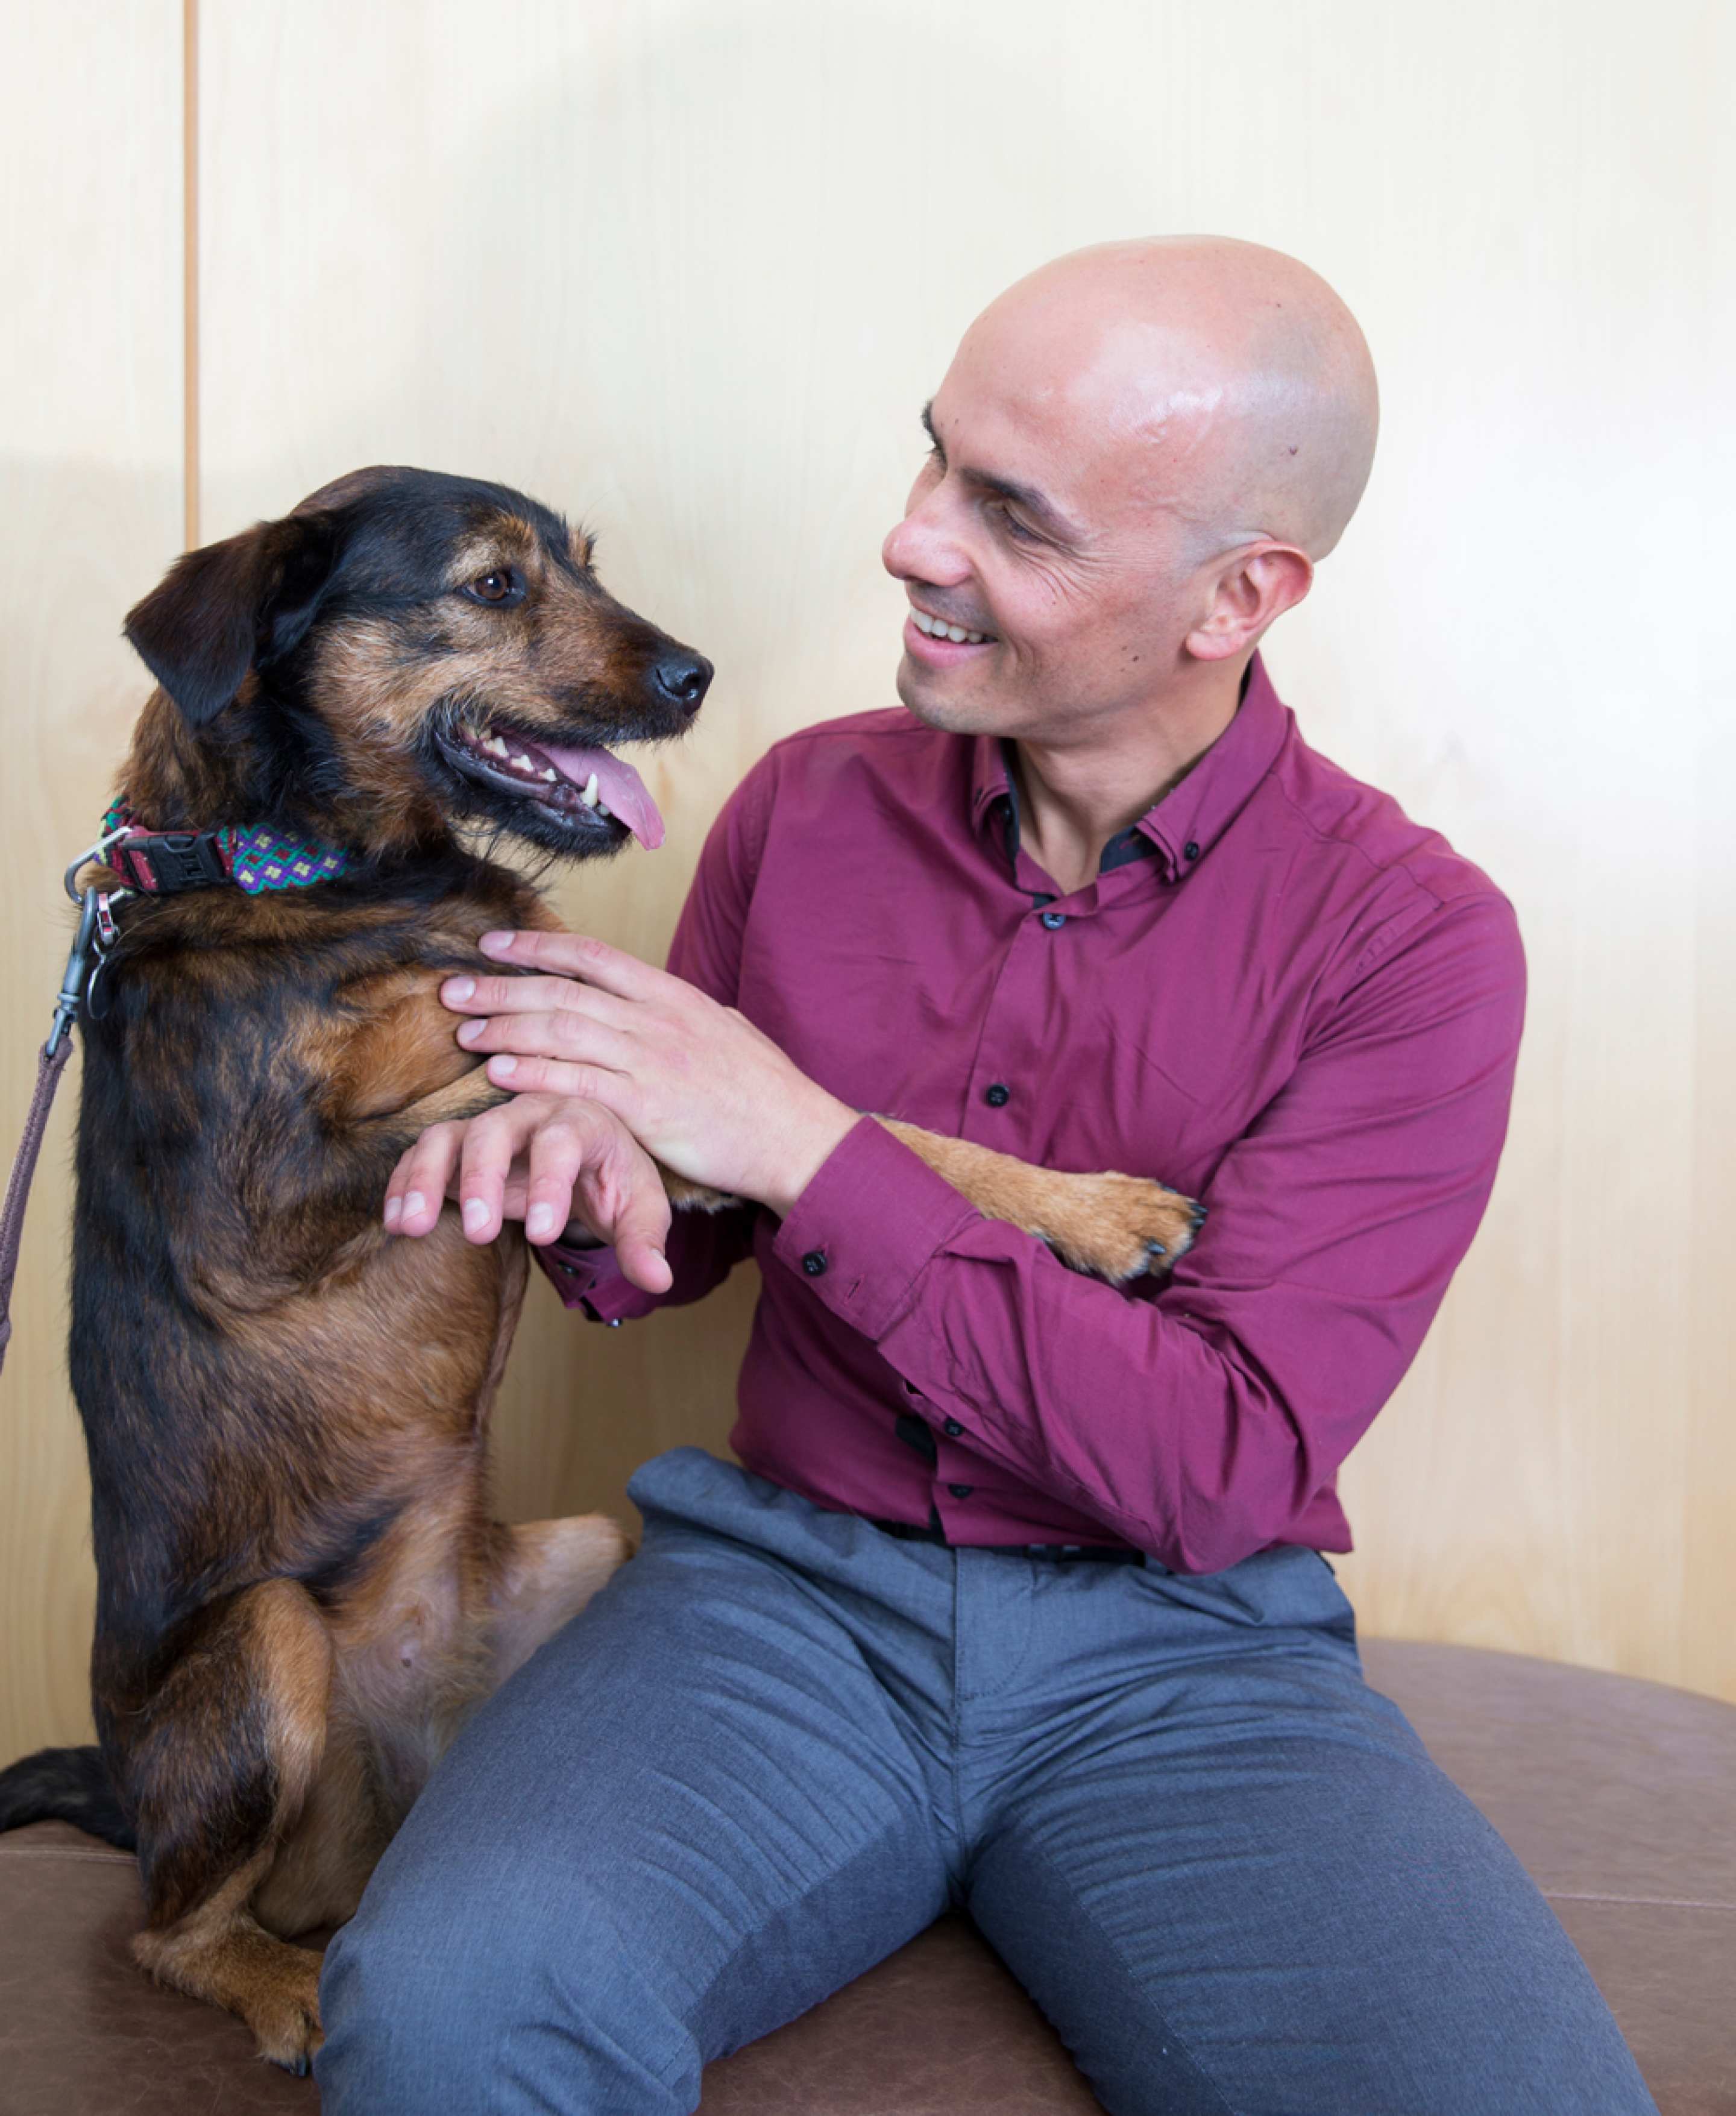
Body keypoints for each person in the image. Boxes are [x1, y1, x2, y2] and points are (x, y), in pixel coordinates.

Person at [319, 238, 1656, 2114]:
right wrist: (601, 1179)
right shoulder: (802, 804)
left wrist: (798, 1139)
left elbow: (1216, 1467)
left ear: (1237, 596)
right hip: (776, 1607)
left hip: (1183, 1658)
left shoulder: (1411, 942)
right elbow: (674, 1243)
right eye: (934, 457)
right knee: (449, 2011)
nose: (911, 539)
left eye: (1007, 514)